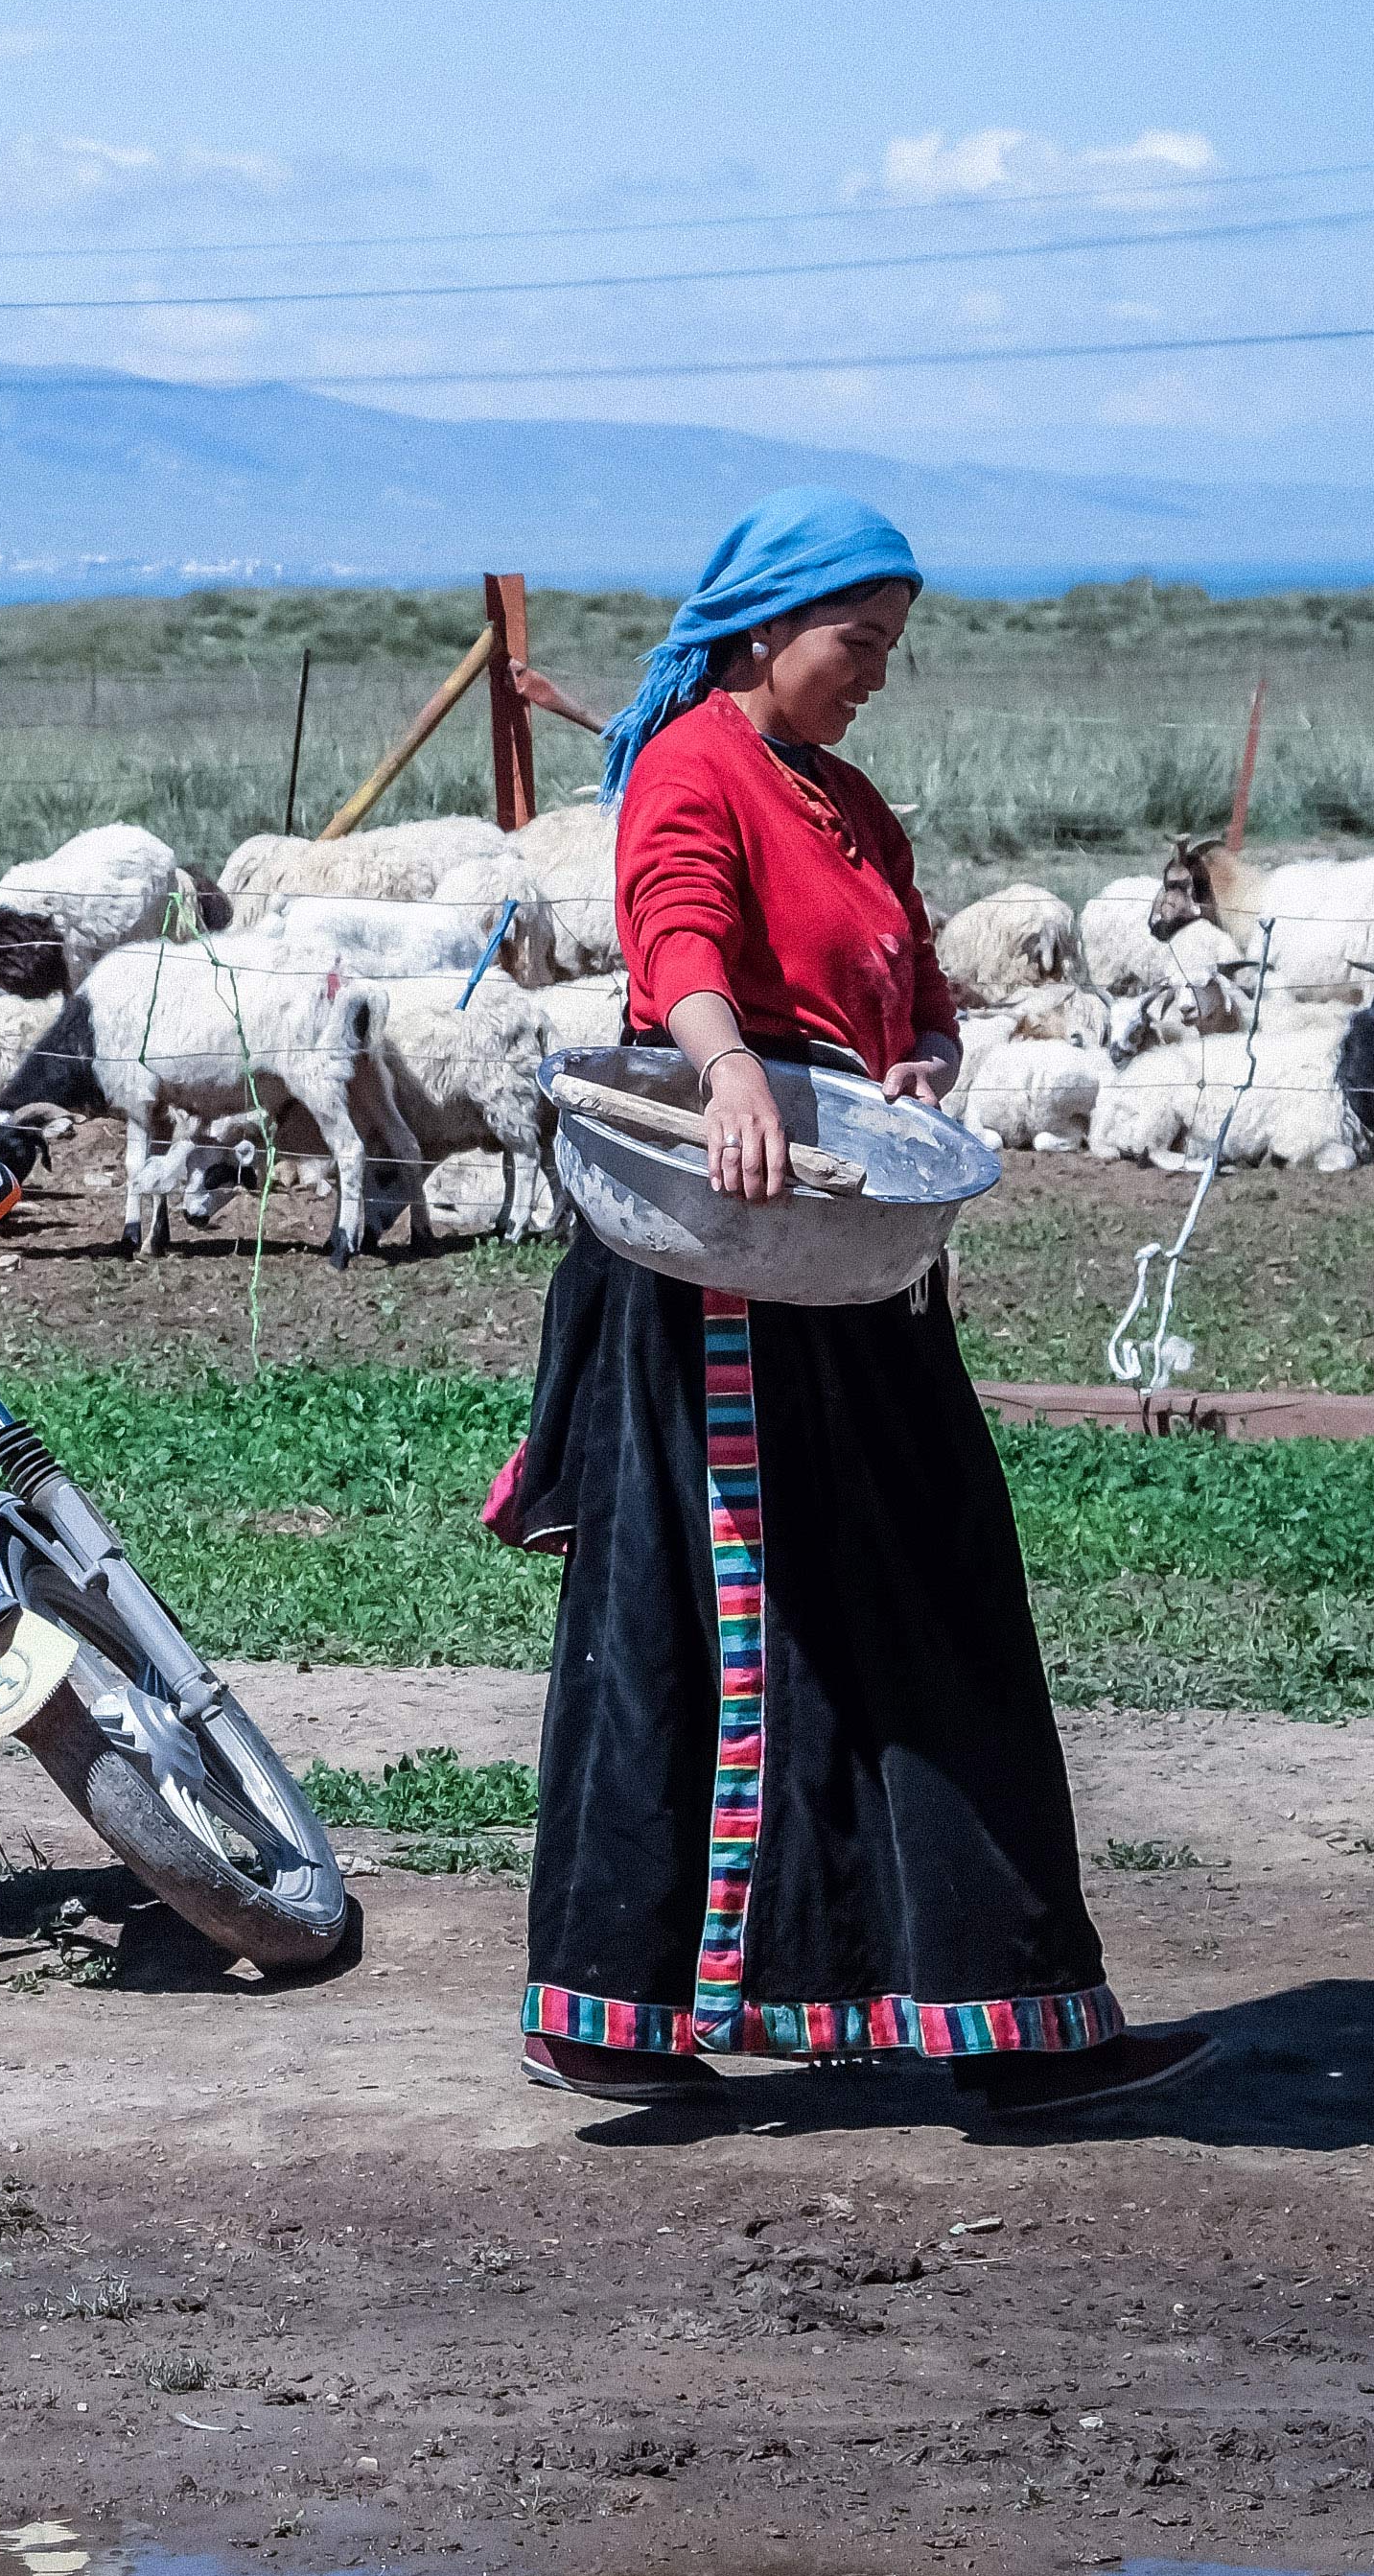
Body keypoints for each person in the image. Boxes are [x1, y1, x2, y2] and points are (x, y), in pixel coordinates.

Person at [487, 487, 1208, 2121]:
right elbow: (672, 933)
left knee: (915, 1607)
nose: (875, 672)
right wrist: (734, 1070)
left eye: (890, 648)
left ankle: (986, 2007)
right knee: (709, 1627)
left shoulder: (852, 807)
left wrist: (920, 1062)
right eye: (854, 643)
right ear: (761, 629)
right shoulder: (692, 769)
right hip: (725, 1249)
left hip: (849, 1246)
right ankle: (630, 2008)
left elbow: (919, 992)